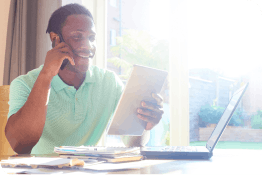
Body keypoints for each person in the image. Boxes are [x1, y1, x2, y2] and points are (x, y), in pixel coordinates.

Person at [5, 3, 164, 154]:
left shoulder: (109, 83)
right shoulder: (24, 84)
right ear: (55, 39)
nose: (88, 46)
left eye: (92, 38)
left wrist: (144, 124)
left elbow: (133, 143)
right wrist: (46, 75)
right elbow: (19, 144)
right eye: (77, 36)